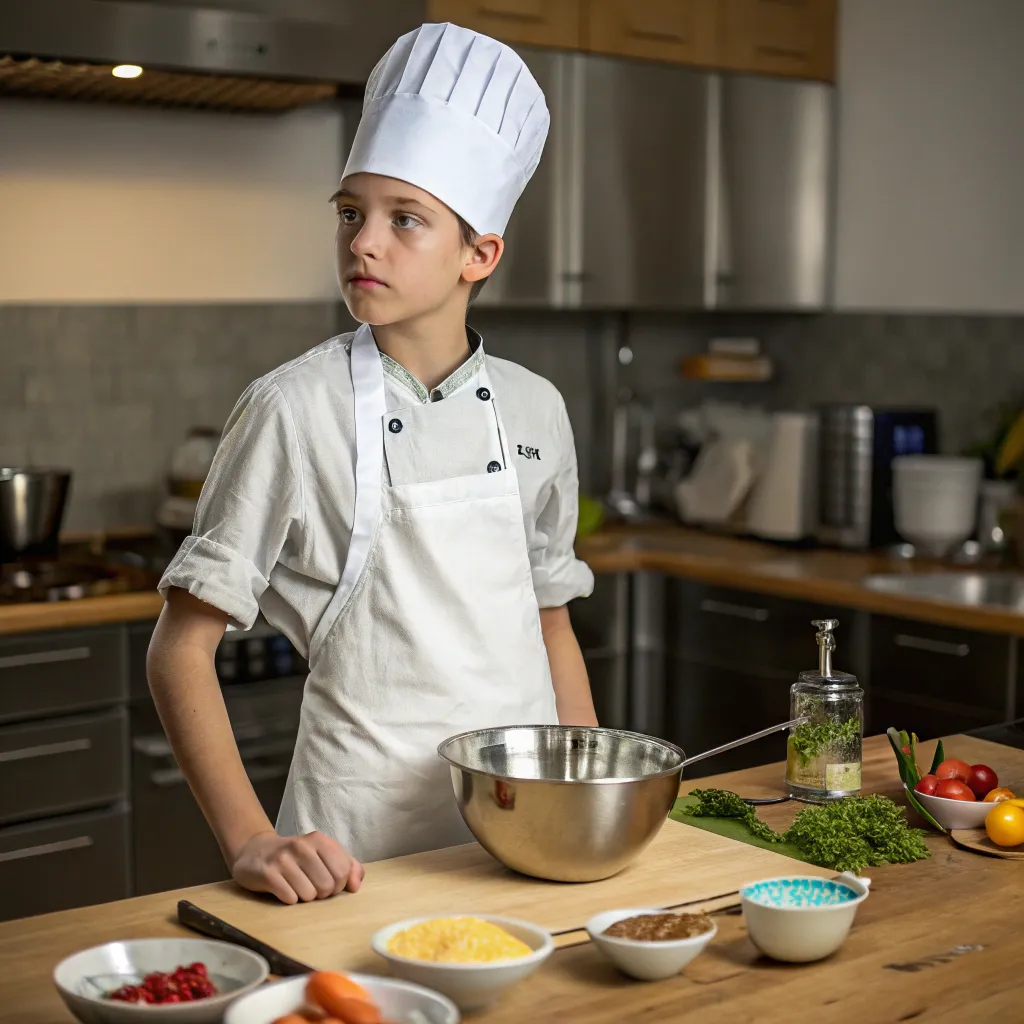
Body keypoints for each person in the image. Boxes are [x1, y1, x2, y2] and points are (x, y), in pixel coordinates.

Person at [147, 22, 596, 906]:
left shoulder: (537, 408)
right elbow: (179, 648)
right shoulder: (291, 409)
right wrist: (249, 841)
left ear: (480, 254)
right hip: (355, 862)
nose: (363, 242)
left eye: (405, 220)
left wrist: (588, 798)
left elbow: (550, 626)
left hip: (527, 852)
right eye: (351, 212)